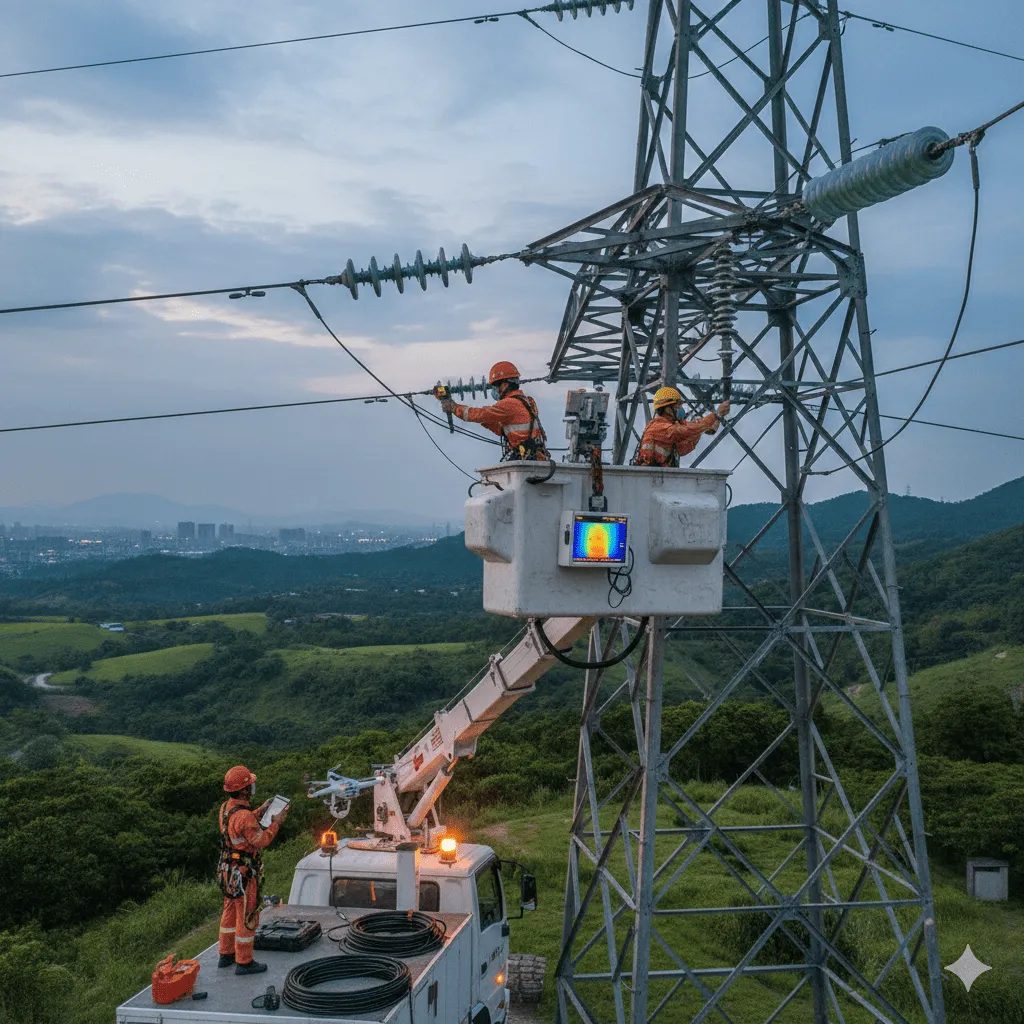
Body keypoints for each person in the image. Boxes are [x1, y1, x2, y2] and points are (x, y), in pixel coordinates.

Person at [216, 765, 288, 975]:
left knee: (229, 911)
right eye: (250, 786)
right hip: (243, 873)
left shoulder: (225, 808)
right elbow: (261, 840)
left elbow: (242, 823)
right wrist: (276, 823)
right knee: (246, 915)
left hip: (227, 870)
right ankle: (244, 961)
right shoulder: (245, 817)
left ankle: (225, 955)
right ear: (244, 790)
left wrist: (262, 809)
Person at [439, 361, 550, 461]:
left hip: (527, 458)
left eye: (495, 386)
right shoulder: (526, 401)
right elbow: (502, 430)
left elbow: (482, 414)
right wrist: (486, 421)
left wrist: (454, 408)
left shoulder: (510, 404)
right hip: (535, 457)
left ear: (505, 384)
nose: (495, 390)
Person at [634, 387, 730, 467]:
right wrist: (715, 415)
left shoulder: (671, 427)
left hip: (658, 476)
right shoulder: (658, 427)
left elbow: (683, 448)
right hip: (648, 476)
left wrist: (711, 422)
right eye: (677, 406)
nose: (680, 408)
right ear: (667, 409)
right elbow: (685, 431)